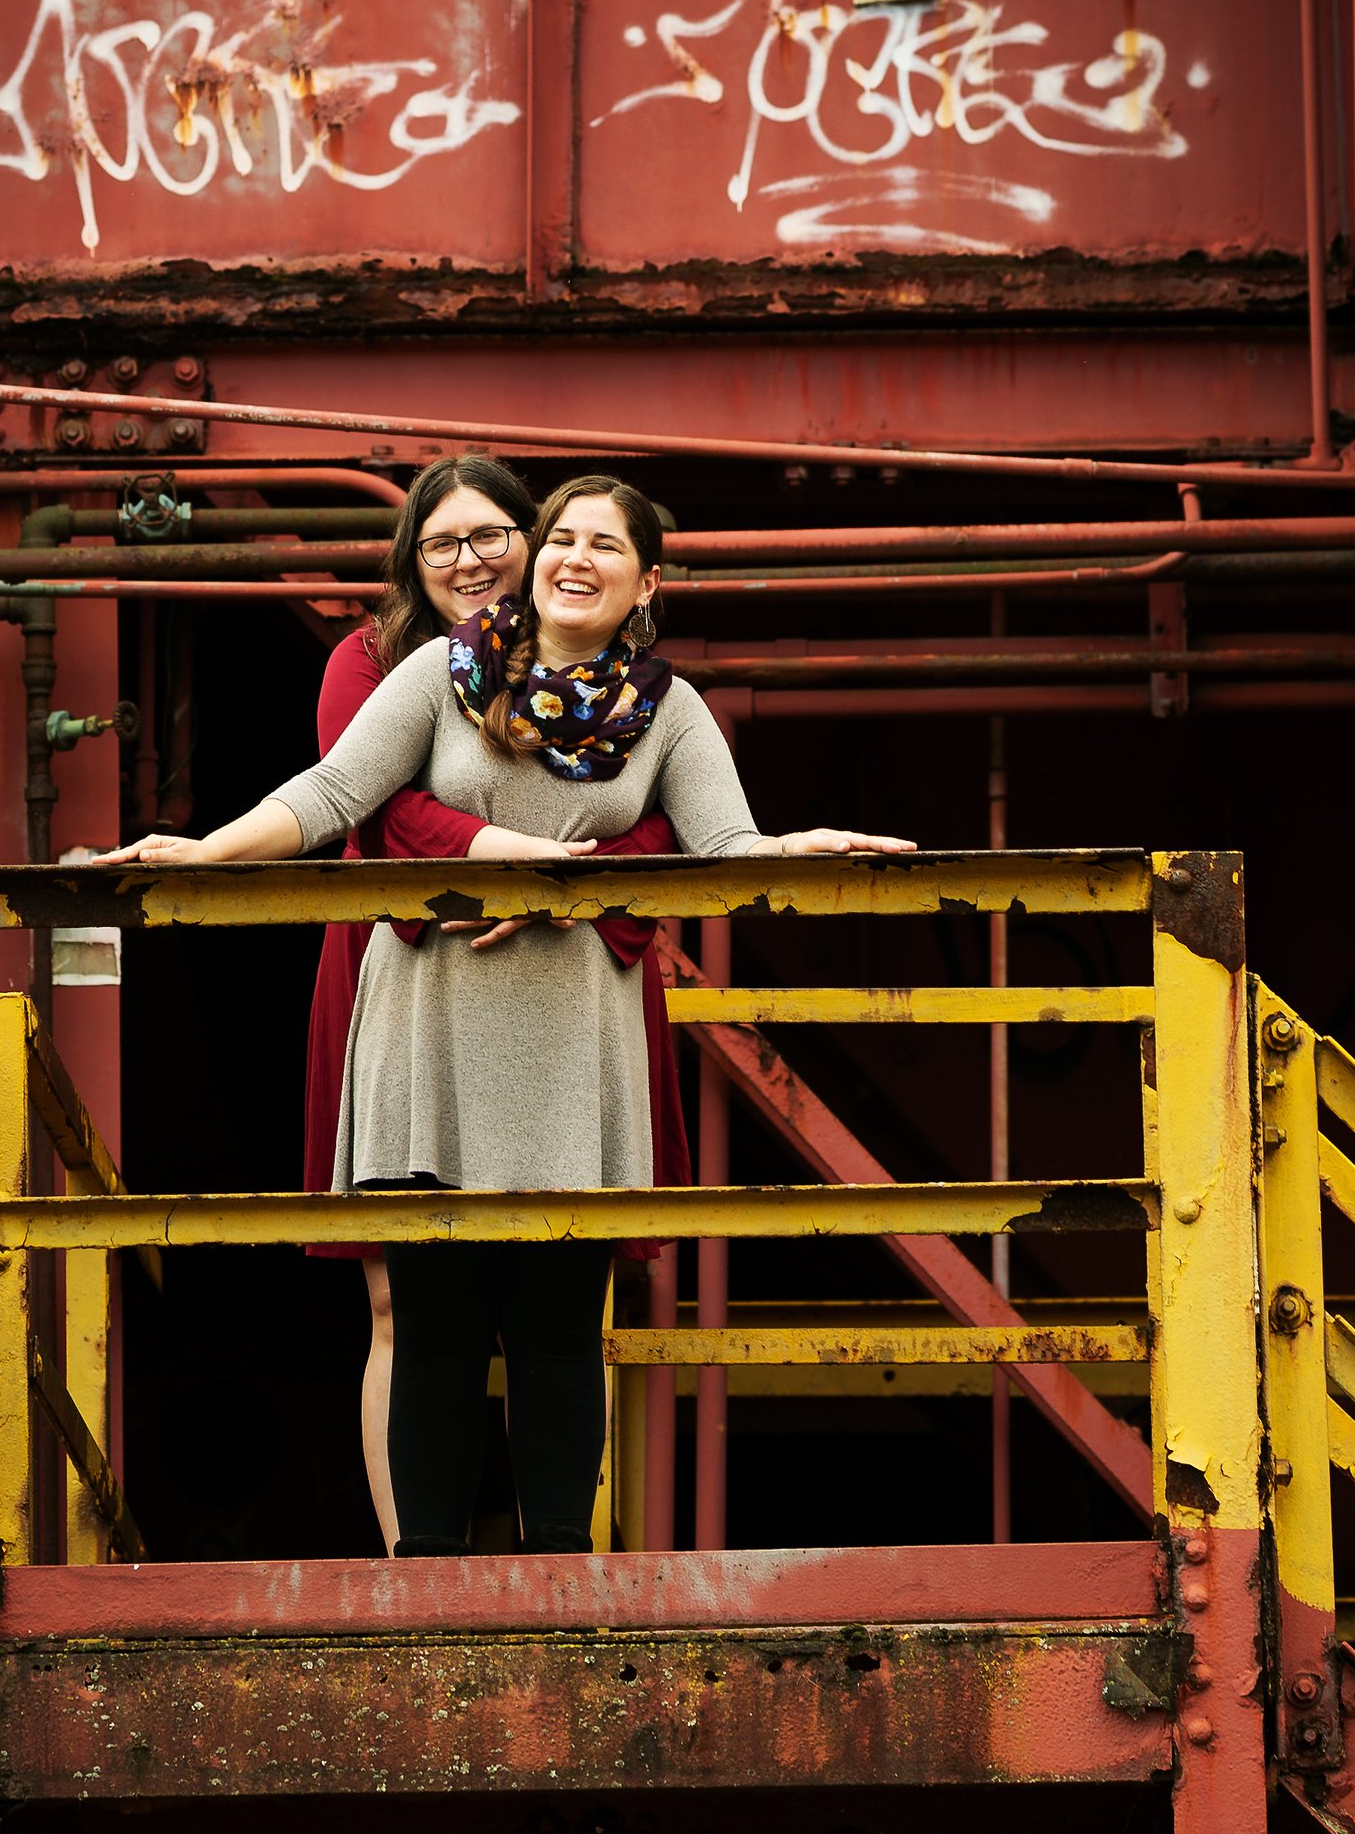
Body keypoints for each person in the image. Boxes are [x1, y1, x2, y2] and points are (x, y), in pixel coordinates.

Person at [103, 473, 912, 1555]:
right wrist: (203, 854)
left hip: (577, 1042)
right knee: (433, 1324)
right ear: (534, 559)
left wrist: (794, 847)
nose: (577, 560)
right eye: (561, 540)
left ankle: (558, 1571)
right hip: (432, 1022)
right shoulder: (442, 672)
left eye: (605, 548)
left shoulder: (669, 710)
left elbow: (722, 848)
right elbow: (335, 794)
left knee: (559, 1329)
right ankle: (430, 1579)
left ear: (647, 582)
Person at [303, 451, 689, 1547]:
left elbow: (676, 819)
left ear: (535, 542)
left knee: (556, 1299)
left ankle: (551, 1555)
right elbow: (362, 810)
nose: (470, 561)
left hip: (570, 975)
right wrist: (508, 854)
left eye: (492, 538)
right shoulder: (380, 662)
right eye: (441, 544)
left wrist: (584, 878)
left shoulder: (629, 684)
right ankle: (409, 1561)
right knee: (409, 1296)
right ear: (410, 561)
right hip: (416, 950)